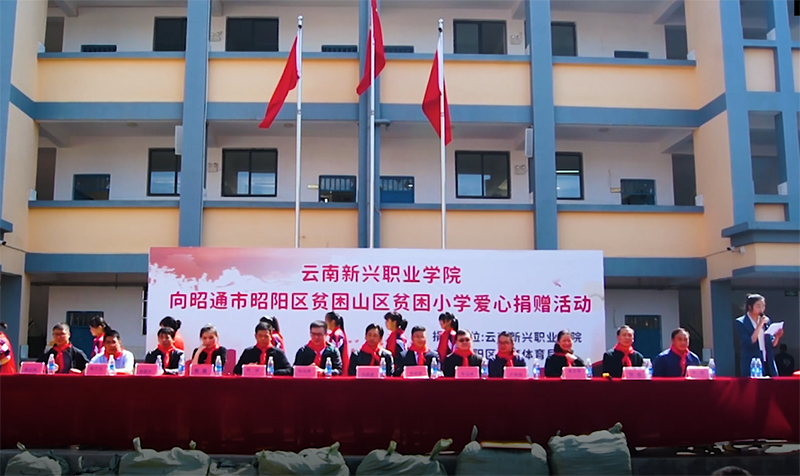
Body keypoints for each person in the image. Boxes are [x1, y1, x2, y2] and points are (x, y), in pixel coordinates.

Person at [734, 294, 783, 377]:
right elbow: (750, 341)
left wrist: (777, 336)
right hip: (752, 362)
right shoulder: (741, 322)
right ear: (750, 307)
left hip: (768, 360)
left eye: (763, 306)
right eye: (758, 306)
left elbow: (771, 344)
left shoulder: (766, 321)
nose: (761, 309)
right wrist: (759, 325)